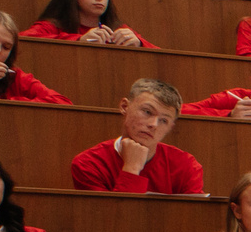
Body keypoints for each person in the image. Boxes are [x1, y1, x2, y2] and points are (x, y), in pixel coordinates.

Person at [67, 81, 203, 195]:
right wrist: (132, 168)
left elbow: (193, 220)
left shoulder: (187, 166)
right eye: (147, 112)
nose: (153, 125)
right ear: (124, 107)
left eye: (163, 121)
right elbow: (111, 221)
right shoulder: (88, 164)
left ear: (170, 128)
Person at [25, 0, 150, 48]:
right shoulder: (52, 26)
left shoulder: (117, 29)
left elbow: (161, 54)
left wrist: (139, 43)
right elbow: (23, 40)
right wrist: (79, 40)